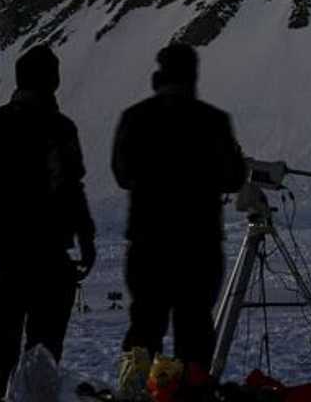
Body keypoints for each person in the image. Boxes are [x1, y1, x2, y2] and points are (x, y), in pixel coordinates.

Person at [111, 43, 248, 394]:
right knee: (195, 333)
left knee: (144, 328)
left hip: (148, 244)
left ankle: (134, 391)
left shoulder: (135, 118)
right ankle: (193, 392)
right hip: (198, 246)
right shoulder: (214, 121)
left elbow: (122, 173)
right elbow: (234, 176)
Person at [0, 44, 97, 402]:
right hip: (49, 253)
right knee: (45, 343)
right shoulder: (59, 129)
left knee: (0, 338)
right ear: (52, 81)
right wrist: (85, 238)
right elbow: (71, 188)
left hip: (4, 253)